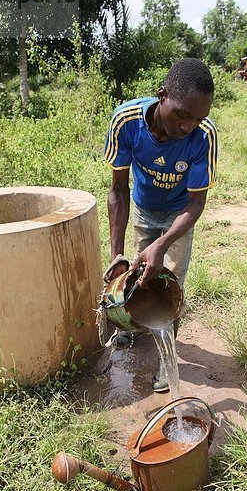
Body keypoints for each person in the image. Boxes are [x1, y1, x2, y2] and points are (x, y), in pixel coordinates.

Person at [104, 58, 218, 392]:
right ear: (162, 95)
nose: (188, 126)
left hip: (179, 214)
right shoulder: (126, 122)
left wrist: (163, 243)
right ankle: (132, 327)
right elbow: (118, 190)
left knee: (170, 285)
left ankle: (166, 364)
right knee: (139, 276)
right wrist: (116, 256)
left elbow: (196, 203)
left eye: (198, 118)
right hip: (142, 207)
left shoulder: (203, 137)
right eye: (182, 114)